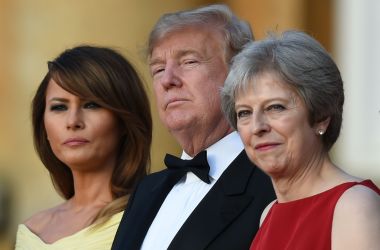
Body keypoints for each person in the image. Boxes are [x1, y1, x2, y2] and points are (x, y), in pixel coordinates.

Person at [112, 4, 275, 250]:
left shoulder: (274, 182)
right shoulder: (146, 190)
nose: (167, 80)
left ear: (240, 75)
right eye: (157, 69)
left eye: (188, 61)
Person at [221, 30, 380, 250]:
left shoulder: (354, 207)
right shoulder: (269, 213)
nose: (257, 127)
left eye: (276, 107)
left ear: (321, 117)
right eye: (244, 113)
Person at [15, 45, 152, 249]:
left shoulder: (152, 218)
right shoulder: (30, 229)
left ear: (124, 120)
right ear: (42, 125)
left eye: (91, 105)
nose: (73, 121)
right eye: (59, 107)